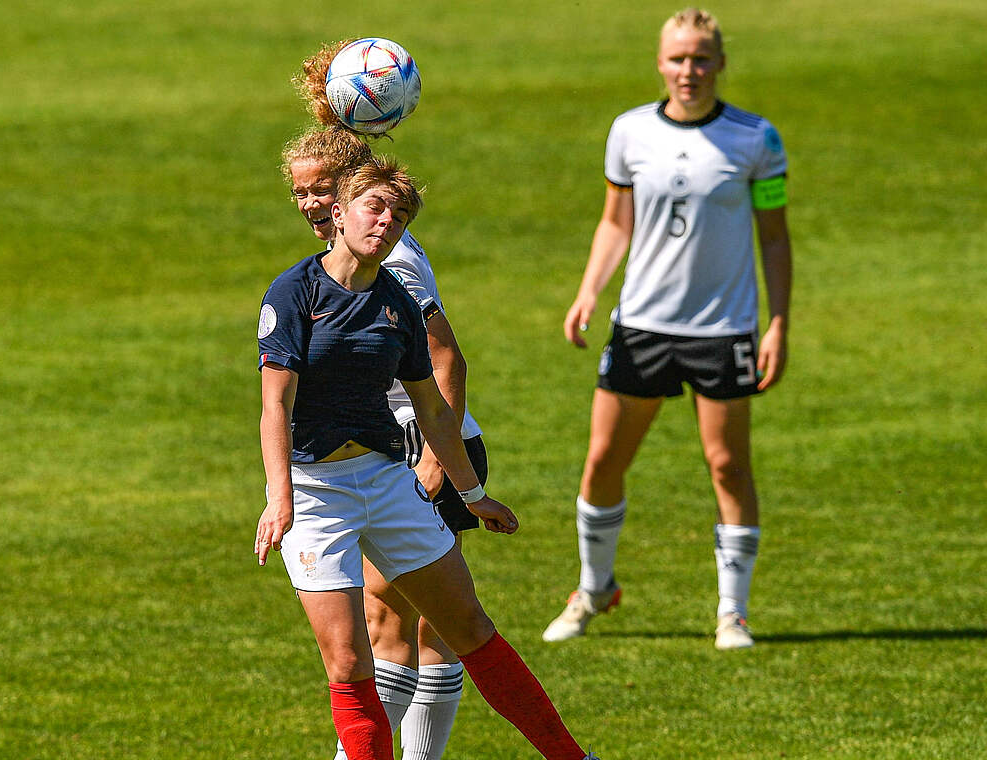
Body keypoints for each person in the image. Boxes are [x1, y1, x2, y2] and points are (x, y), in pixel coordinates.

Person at [256, 157, 596, 760]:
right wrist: (280, 500)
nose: (387, 222)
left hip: (387, 480)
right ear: (338, 212)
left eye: (400, 214)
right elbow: (275, 406)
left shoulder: (398, 300)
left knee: (468, 627)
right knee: (349, 659)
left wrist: (470, 494)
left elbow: (435, 409)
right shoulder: (294, 292)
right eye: (375, 207)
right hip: (317, 493)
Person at [541, 7, 793, 651]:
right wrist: (588, 290)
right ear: (660, 62)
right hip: (642, 326)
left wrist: (778, 324)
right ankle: (594, 588)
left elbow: (774, 237)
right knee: (602, 461)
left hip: (724, 330)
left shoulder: (756, 140)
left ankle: (731, 613)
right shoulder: (629, 132)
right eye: (678, 58)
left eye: (701, 58)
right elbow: (615, 221)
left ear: (721, 64)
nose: (690, 70)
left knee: (729, 465)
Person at [286, 41, 490, 760]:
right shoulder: (354, 245)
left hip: (420, 446)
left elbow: (445, 358)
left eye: (321, 190)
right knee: (403, 625)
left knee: (416, 626)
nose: (310, 204)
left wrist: (438, 465)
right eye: (299, 193)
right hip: (389, 446)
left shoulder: (391, 252)